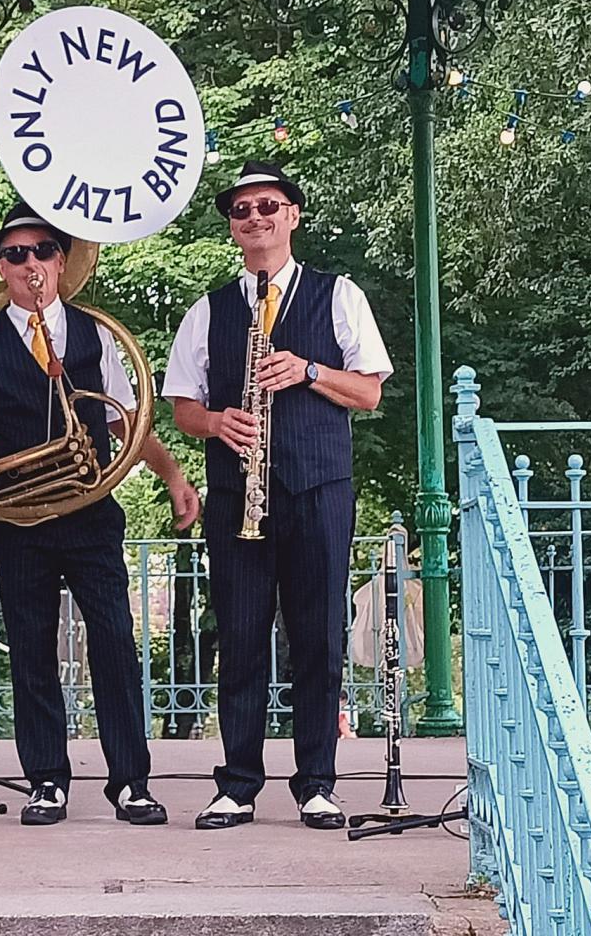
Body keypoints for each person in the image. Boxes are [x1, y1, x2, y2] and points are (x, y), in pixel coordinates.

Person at [0, 203, 201, 827]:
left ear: (61, 261)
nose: (29, 265)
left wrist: (172, 476)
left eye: (41, 252)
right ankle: (46, 782)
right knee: (30, 648)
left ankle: (131, 783)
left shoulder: (94, 334)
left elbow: (126, 421)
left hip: (90, 512)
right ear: (0, 268)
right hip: (20, 515)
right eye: (14, 255)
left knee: (115, 642)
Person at [163, 161, 392, 831]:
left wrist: (309, 369)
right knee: (237, 638)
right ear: (233, 227)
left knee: (318, 639)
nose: (255, 217)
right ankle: (236, 785)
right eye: (242, 210)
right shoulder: (209, 309)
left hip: (318, 488)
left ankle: (317, 782)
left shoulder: (338, 294)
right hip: (239, 491)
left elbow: (370, 392)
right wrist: (215, 422)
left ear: (293, 214)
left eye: (269, 205)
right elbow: (181, 406)